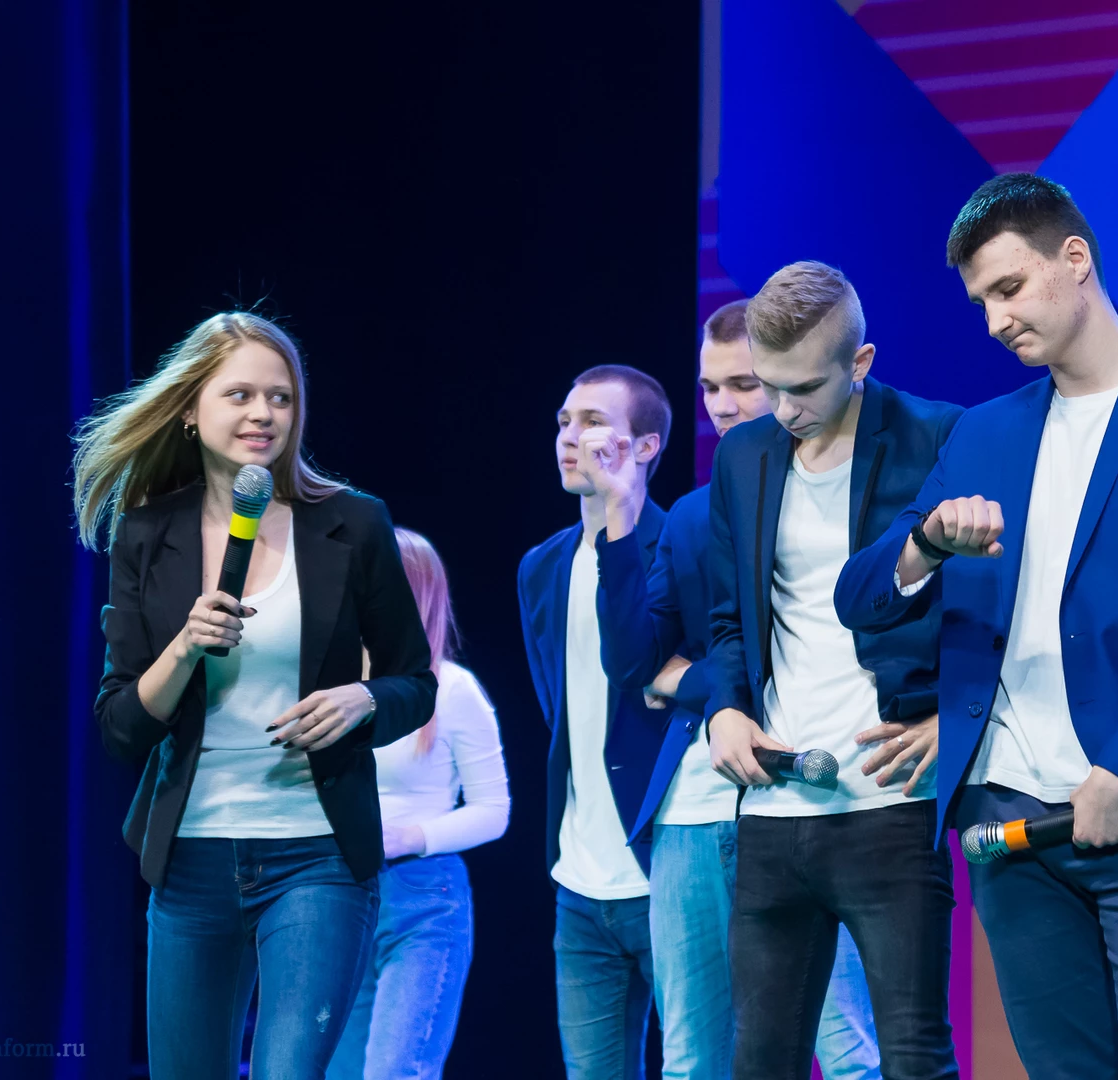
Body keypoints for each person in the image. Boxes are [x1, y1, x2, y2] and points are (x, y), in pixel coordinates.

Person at [834, 173, 1118, 1079]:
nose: (995, 321)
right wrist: (924, 542)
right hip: (1006, 822)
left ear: (1074, 259)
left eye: (1008, 288)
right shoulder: (982, 432)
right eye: (980, 303)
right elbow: (861, 596)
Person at [74, 312, 438, 1079]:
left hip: (317, 853)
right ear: (190, 409)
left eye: (280, 397)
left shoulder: (353, 523)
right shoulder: (146, 534)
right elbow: (119, 727)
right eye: (239, 395)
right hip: (192, 858)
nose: (263, 414)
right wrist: (183, 647)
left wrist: (363, 701)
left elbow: (414, 682)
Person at [586, 300, 882, 1080]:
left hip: (816, 795)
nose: (723, 405)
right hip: (694, 807)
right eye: (710, 387)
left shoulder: (846, 494)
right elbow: (634, 660)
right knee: (693, 1059)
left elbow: (809, 649)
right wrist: (619, 512)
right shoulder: (690, 515)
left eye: (743, 383)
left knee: (846, 1050)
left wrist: (693, 681)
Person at [704, 263, 964, 1080]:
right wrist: (724, 710)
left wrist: (953, 718)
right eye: (769, 386)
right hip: (772, 804)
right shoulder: (742, 456)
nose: (783, 409)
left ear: (860, 362)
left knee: (913, 1059)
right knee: (759, 1063)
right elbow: (726, 617)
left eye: (804, 388)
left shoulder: (937, 436)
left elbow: (997, 607)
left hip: (890, 802)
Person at [516, 365, 672, 1080]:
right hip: (579, 879)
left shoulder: (681, 544)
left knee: (703, 1064)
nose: (569, 438)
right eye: (562, 422)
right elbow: (559, 706)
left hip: (667, 867)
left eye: (591, 422)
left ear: (644, 446)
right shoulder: (541, 566)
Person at [328, 528, 511, 1080]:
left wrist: (410, 836)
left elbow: (494, 810)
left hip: (422, 897)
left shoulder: (453, 689)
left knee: (395, 1071)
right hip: (337, 894)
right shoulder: (332, 682)